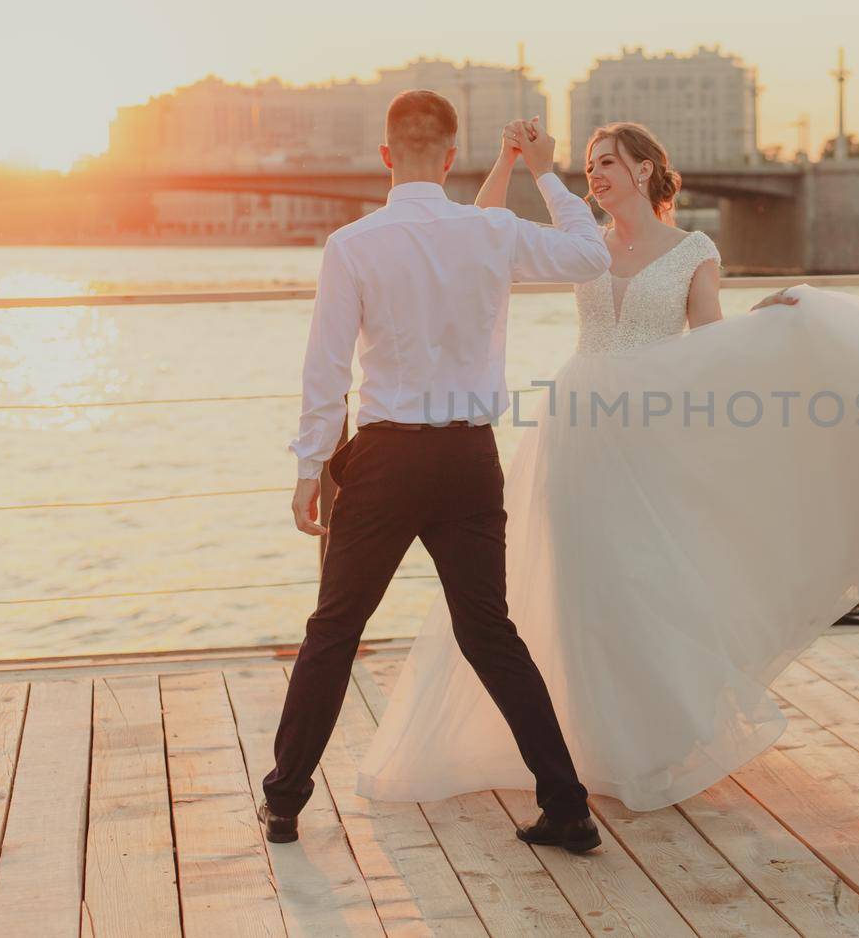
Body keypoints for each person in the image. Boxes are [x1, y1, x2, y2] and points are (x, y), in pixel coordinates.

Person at [355, 120, 859, 812]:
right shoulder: (585, 244)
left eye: (606, 162)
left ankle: (650, 741)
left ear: (642, 168)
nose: (593, 174)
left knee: (646, 579)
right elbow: (479, 235)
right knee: (580, 582)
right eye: (590, 164)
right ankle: (588, 742)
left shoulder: (693, 248)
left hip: (656, 432)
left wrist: (779, 326)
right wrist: (512, 160)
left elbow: (712, 345)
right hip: (577, 427)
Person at [259, 90, 609, 854]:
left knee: (335, 629)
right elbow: (591, 255)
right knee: (489, 631)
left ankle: (284, 802)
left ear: (387, 156)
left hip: (385, 460)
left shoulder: (352, 244)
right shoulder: (489, 230)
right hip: (468, 458)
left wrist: (311, 464)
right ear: (452, 158)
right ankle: (568, 805)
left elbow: (326, 368)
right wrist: (546, 174)